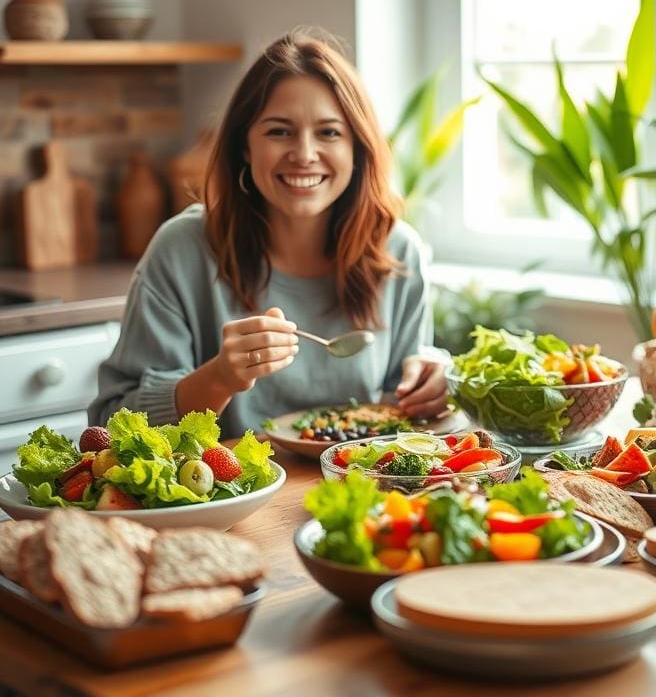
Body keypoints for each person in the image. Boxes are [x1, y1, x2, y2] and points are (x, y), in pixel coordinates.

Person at [89, 29, 448, 438]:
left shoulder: (398, 251)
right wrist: (220, 378)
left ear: (357, 149)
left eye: (329, 133)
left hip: (361, 495)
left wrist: (432, 383)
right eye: (279, 131)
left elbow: (408, 420)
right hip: (226, 499)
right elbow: (110, 425)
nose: (304, 154)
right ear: (245, 145)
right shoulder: (182, 250)